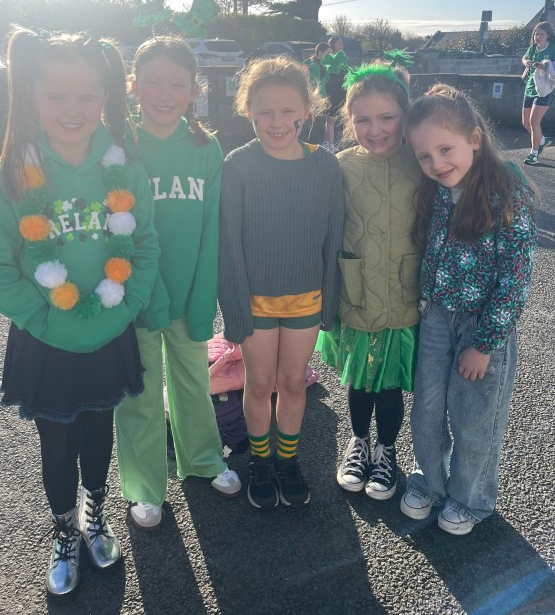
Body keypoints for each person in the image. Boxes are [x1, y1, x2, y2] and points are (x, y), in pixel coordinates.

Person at [0, 28, 159, 596]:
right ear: (31, 95)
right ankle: (62, 530)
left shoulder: (126, 170)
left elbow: (145, 246)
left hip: (109, 329)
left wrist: (124, 308)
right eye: (57, 96)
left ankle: (95, 515)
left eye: (87, 96)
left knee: (99, 430)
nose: (73, 110)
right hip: (46, 337)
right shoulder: (7, 176)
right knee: (56, 444)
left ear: (105, 98)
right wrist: (43, 319)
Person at [114, 37, 241, 531]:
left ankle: (204, 459)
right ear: (133, 86)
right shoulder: (119, 145)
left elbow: (212, 229)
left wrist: (203, 295)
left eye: (177, 84)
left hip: (188, 295)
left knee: (193, 382)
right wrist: (138, 293)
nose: (164, 94)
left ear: (194, 90)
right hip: (137, 297)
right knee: (140, 391)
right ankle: (145, 486)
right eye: (153, 83)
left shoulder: (206, 147)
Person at [401, 84, 536, 536]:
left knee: (475, 415)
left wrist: (485, 343)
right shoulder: (438, 191)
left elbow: (515, 277)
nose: (437, 163)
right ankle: (430, 481)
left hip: (482, 326)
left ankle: (470, 497)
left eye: (446, 149)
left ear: (474, 139)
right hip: (438, 315)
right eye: (424, 156)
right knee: (427, 407)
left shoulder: (506, 191)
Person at [219, 56, 344, 509]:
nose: (276, 122)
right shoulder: (237, 165)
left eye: (287, 110)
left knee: (292, 382)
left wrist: (330, 303)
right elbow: (228, 245)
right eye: (265, 112)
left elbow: (333, 239)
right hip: (254, 302)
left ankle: (287, 460)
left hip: (306, 298)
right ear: (248, 111)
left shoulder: (325, 166)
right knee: (258, 383)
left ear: (306, 111)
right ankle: (260, 461)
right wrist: (234, 310)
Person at [319, 54, 422, 500]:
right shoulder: (340, 165)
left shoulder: (422, 162)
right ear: (349, 120)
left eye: (387, 118)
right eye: (362, 120)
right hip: (356, 292)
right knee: (359, 379)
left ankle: (386, 450)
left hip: (404, 292)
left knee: (391, 383)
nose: (375, 129)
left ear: (405, 114)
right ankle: (359, 442)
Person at [521, 21, 555, 165]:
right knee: (525, 122)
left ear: (548, 35)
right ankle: (542, 141)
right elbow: (524, 58)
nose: (537, 36)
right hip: (530, 87)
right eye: (536, 34)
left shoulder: (553, 48)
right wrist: (526, 63)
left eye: (541, 34)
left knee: (534, 121)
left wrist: (543, 66)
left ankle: (534, 154)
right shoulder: (533, 48)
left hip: (545, 89)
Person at [323, 36, 349, 152]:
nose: (341, 45)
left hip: (343, 92)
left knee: (344, 118)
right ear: (333, 45)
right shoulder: (328, 59)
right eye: (339, 43)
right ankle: (330, 145)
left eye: (342, 43)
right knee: (330, 119)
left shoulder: (344, 59)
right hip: (331, 92)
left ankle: (343, 143)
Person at [304, 42, 330, 144]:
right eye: (327, 53)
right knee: (317, 124)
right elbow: (315, 85)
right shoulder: (315, 66)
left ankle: (311, 145)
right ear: (320, 52)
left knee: (319, 123)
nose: (329, 56)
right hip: (319, 98)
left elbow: (325, 81)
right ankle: (310, 145)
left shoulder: (319, 65)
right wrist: (318, 100)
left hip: (321, 97)